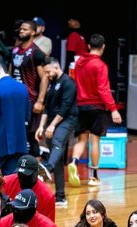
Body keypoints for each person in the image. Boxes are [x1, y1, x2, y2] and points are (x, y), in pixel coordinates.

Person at [67, 34, 123, 185]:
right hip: (96, 107)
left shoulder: (79, 64)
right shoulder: (100, 66)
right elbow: (103, 90)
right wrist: (113, 109)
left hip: (81, 106)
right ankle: (94, 176)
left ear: (89, 46)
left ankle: (74, 162)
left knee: (82, 139)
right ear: (103, 47)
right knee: (95, 140)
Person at [37, 57, 78, 206]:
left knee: (57, 141)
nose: (47, 75)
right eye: (45, 73)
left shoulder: (68, 83)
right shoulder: (51, 83)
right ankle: (60, 196)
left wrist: (52, 125)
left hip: (66, 120)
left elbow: (65, 107)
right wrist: (42, 126)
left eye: (48, 71)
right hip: (52, 121)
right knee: (59, 158)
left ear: (56, 66)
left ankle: (48, 167)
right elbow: (47, 107)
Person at [11, 20, 48, 156]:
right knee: (15, 133)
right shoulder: (14, 51)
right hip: (14, 99)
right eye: (21, 29)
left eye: (25, 29)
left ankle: (36, 168)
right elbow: (11, 72)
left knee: (30, 135)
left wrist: (40, 100)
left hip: (30, 99)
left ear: (33, 32)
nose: (21, 31)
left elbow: (44, 77)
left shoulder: (36, 52)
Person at [3, 154, 55, 222]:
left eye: (26, 175)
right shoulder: (5, 183)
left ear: (36, 173)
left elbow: (48, 225)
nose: (22, 179)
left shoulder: (47, 196)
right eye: (20, 174)